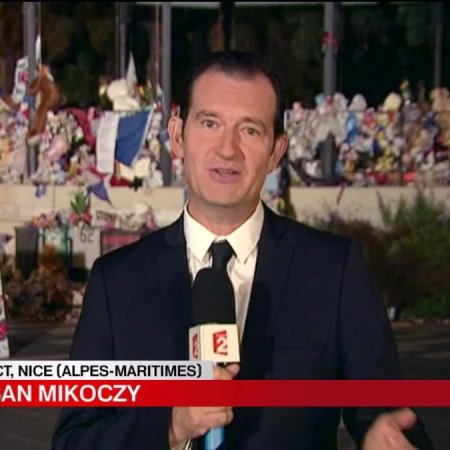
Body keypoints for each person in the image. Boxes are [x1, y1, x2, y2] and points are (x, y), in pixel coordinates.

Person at [52, 51, 433, 450]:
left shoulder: (334, 271)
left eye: (249, 130)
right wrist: (171, 427)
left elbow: (392, 420)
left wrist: (390, 440)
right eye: (210, 123)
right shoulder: (117, 282)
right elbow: (73, 441)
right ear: (178, 136)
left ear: (276, 151)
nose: (227, 149)